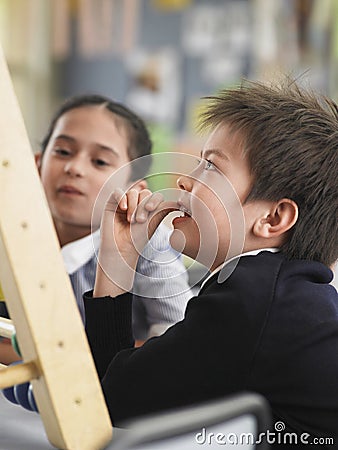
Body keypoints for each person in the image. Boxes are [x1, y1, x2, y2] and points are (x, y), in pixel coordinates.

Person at [82, 79, 337, 447]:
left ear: (274, 218)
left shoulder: (252, 302)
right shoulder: (285, 293)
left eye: (211, 166)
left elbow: (104, 399)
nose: (185, 180)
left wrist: (116, 259)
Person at [0, 95, 192, 363]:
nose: (74, 168)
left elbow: (177, 339)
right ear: (37, 164)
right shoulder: (12, 235)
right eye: (63, 152)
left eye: (100, 162)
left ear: (133, 188)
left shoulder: (149, 242)